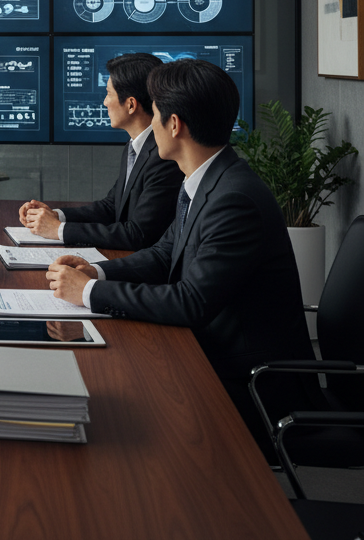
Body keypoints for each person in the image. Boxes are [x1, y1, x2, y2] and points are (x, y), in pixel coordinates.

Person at [45, 58, 314, 449]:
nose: (150, 126)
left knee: (114, 419)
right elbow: (162, 253)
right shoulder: (209, 179)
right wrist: (97, 273)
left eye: (154, 114)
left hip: (249, 385)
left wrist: (86, 294)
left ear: (174, 125)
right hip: (209, 358)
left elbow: (191, 302)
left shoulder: (233, 199)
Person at [19, 53, 183, 248]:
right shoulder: (135, 145)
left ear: (131, 104)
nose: (105, 102)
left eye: (108, 94)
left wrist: (58, 230)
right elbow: (111, 207)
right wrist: (56, 216)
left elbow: (138, 234)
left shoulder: (163, 155)